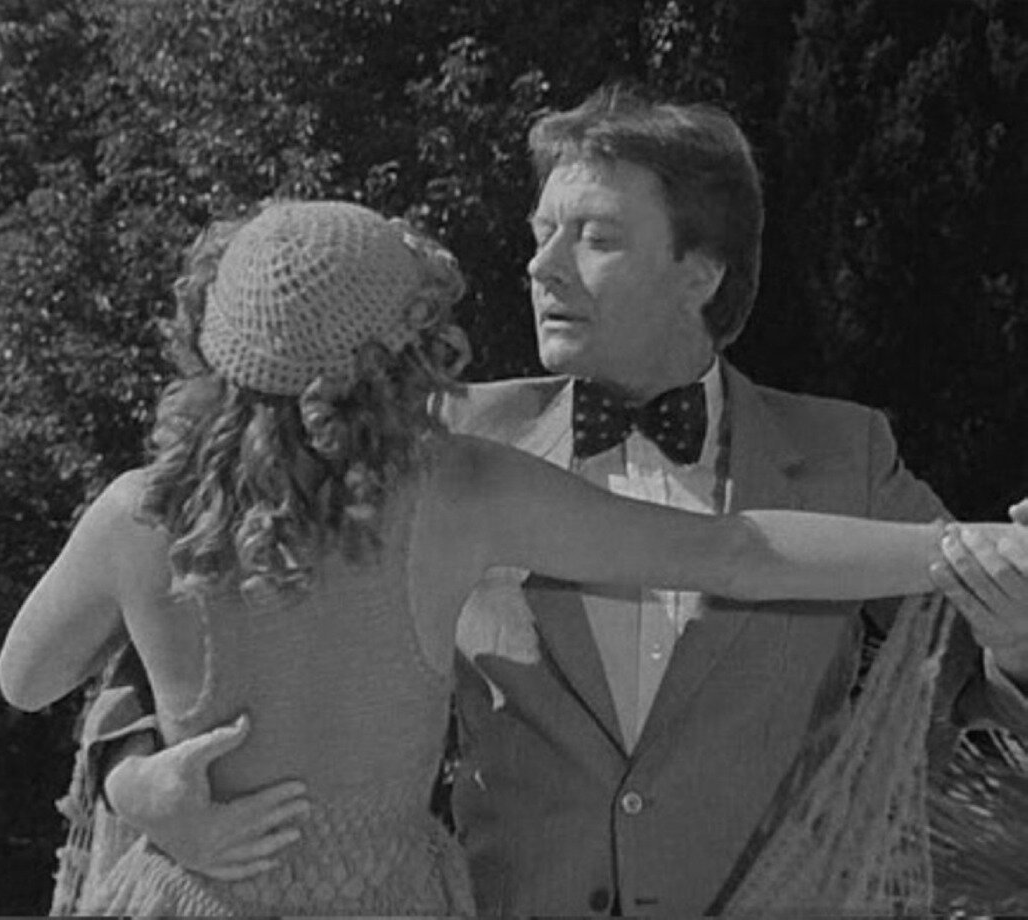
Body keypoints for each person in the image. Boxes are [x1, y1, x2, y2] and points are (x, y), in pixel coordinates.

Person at [66, 90, 1028, 915]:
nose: (541, 266)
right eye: (541, 235)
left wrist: (1018, 645)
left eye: (595, 237)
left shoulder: (847, 456)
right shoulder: (428, 449)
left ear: (700, 272)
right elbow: (188, 606)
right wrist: (132, 774)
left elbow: (972, 682)